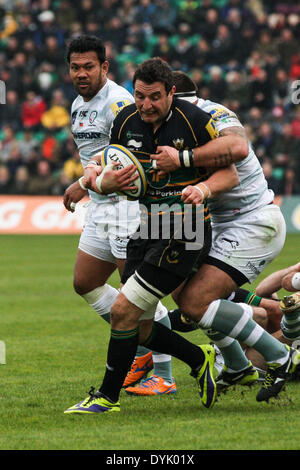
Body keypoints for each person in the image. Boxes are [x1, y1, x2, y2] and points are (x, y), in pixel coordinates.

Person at [64, 57, 244, 414]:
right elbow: (111, 165)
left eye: (155, 97)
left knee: (122, 310)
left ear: (171, 93)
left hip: (185, 229)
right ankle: (200, 359)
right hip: (145, 225)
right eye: (140, 96)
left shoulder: (195, 123)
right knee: (141, 324)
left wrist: (202, 188)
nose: (145, 105)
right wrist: (94, 181)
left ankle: (106, 397)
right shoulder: (126, 120)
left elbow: (230, 176)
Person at [146, 70, 300, 403]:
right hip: (217, 223)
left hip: (253, 222)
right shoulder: (169, 125)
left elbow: (238, 147)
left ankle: (280, 355)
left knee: (195, 301)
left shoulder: (212, 114)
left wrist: (183, 159)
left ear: (176, 97)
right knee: (181, 290)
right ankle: (235, 364)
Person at [63, 36, 177, 394]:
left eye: (89, 67)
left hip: (127, 207)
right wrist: (85, 182)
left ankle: (163, 373)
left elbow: (132, 160)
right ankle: (142, 350)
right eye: (75, 67)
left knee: (137, 295)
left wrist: (87, 183)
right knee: (85, 282)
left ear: (104, 68)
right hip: (100, 205)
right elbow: (93, 157)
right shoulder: (77, 106)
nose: (81, 74)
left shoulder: (120, 102)